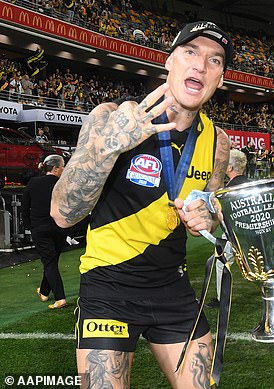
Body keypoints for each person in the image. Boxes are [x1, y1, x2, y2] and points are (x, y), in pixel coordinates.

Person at [50, 20, 233, 388]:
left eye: (214, 61)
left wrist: (206, 217)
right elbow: (62, 214)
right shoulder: (110, 116)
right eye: (190, 52)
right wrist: (110, 145)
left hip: (173, 287)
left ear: (221, 79)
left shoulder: (219, 143)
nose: (200, 65)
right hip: (108, 287)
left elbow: (210, 213)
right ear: (168, 62)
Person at [205, 148, 249, 309]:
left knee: (221, 261)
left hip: (235, 233)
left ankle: (222, 298)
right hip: (252, 232)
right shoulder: (249, 182)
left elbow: (224, 215)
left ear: (229, 168)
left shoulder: (229, 189)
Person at [23, 154, 67, 310]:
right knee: (52, 261)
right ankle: (44, 292)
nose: (64, 169)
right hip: (59, 228)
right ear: (55, 168)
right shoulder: (63, 184)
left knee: (50, 262)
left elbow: (25, 207)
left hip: (40, 229)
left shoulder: (33, 182)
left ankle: (60, 297)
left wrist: (30, 227)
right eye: (63, 166)